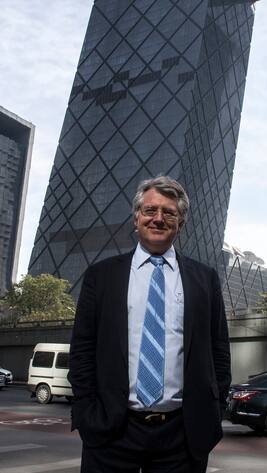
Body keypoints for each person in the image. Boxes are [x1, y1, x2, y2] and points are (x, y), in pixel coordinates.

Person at [69, 176, 230, 473]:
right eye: (150, 210)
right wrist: (87, 411)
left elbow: (219, 350)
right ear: (136, 218)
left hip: (182, 435)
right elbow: (82, 349)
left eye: (169, 213)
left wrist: (213, 411)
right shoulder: (101, 276)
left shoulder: (204, 279)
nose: (158, 218)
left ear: (180, 223)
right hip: (112, 431)